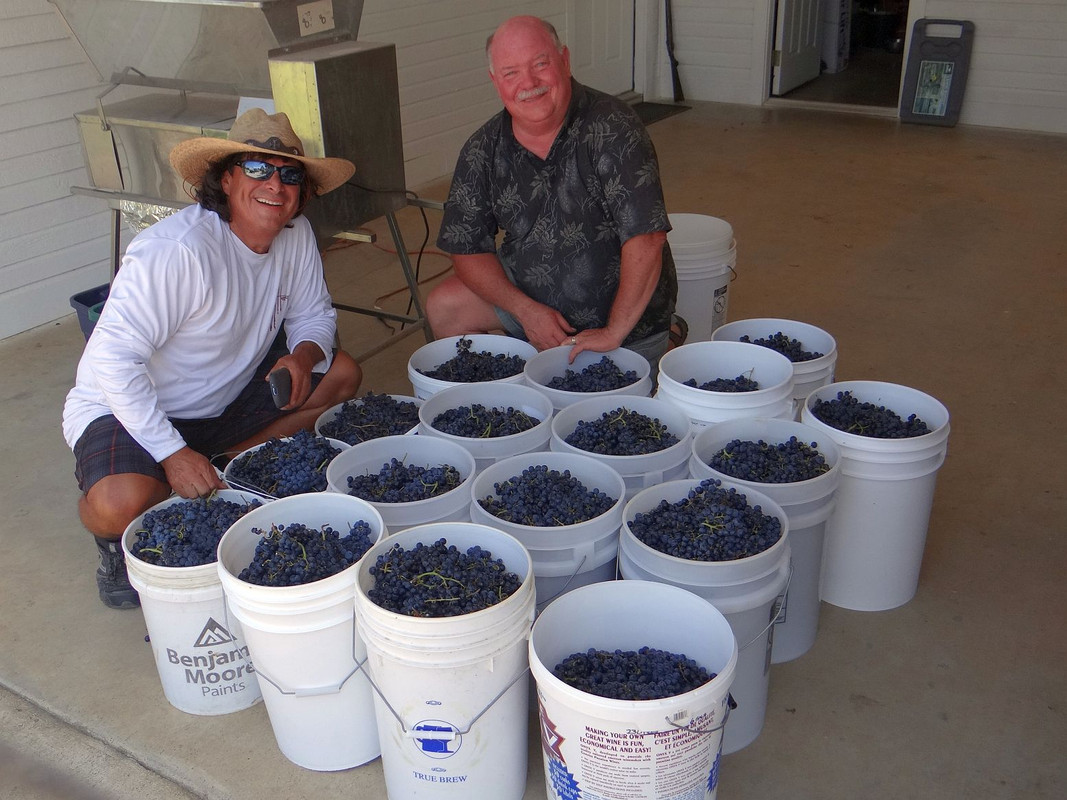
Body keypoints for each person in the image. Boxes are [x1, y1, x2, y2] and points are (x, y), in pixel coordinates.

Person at [62, 108, 362, 609]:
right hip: (131, 409)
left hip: (222, 396)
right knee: (118, 507)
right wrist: (171, 453)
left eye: (290, 175)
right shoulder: (176, 252)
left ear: (302, 191)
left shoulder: (296, 236)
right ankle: (115, 542)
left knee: (341, 374)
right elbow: (112, 360)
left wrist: (303, 355)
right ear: (225, 179)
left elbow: (315, 315)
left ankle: (223, 464)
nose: (276, 185)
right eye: (258, 169)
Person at [427, 15, 679, 366]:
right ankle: (495, 400)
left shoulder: (612, 127)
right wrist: (525, 312)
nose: (528, 83)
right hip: (532, 308)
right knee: (445, 306)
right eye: (511, 73)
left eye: (540, 64)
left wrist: (614, 332)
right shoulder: (482, 149)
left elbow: (647, 237)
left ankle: (655, 347)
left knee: (601, 414)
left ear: (564, 60)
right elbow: (466, 250)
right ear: (495, 80)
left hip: (625, 327)